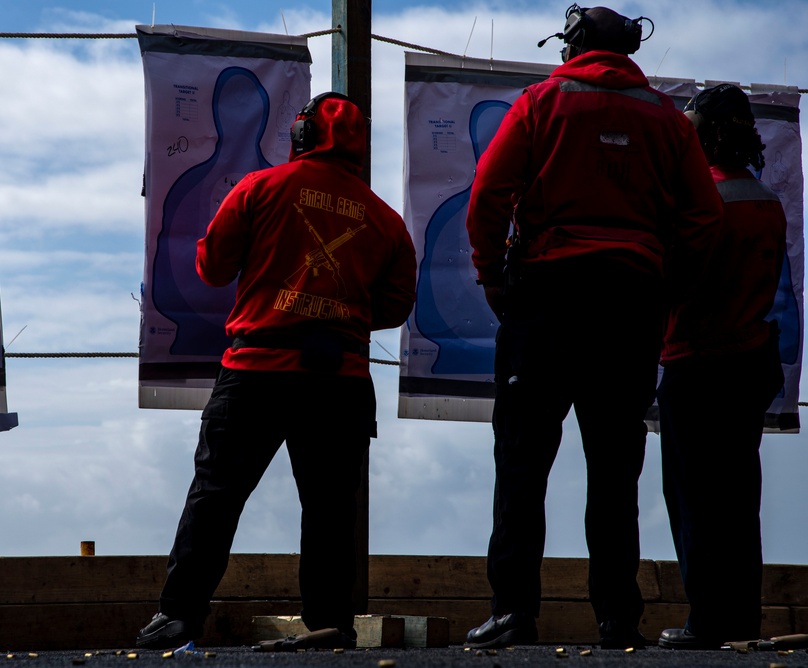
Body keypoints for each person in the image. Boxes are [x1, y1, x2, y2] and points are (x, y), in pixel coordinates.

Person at [463, 3, 724, 650]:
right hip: (630, 304)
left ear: (573, 46)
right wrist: (667, 291)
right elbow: (704, 219)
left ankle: (513, 612)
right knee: (615, 468)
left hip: (545, 298)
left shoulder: (540, 102)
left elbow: (488, 194)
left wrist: (494, 278)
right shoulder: (668, 119)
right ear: (630, 49)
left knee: (522, 462)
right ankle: (617, 618)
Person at [134, 92, 418, 650]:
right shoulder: (386, 220)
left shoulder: (258, 189)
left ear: (300, 135)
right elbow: (393, 307)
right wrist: (337, 308)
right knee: (331, 511)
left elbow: (212, 268)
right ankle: (329, 624)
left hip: (257, 370)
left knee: (216, 495)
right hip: (341, 379)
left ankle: (179, 616)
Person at [657, 84, 786, 650]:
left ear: (702, 133)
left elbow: (675, 284)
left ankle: (706, 621)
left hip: (696, 365)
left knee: (694, 501)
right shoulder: (767, 201)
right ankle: (742, 621)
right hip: (750, 364)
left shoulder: (695, 203)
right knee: (739, 501)